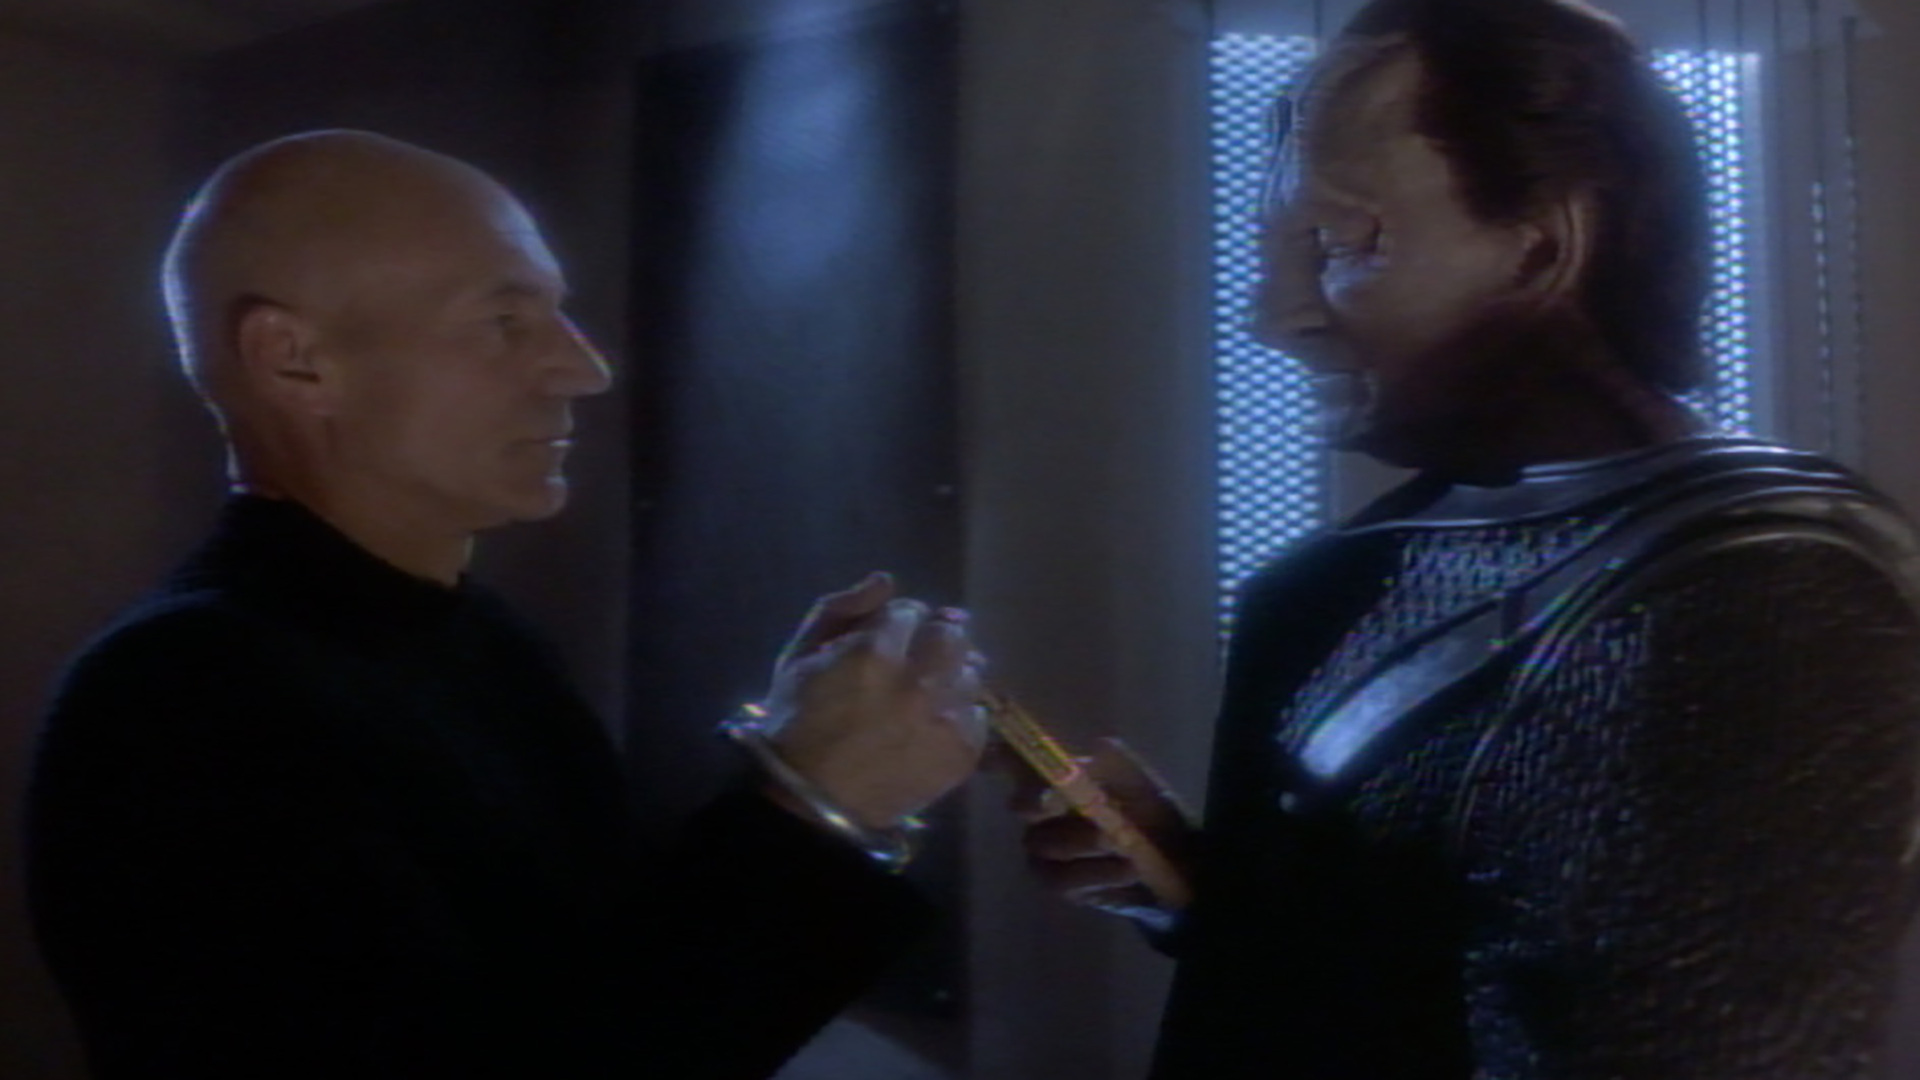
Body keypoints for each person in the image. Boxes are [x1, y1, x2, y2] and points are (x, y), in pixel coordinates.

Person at [1018, 1, 1920, 1076]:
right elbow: (1412, 963)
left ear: (1542, 241)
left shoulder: (1764, 586)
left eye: (1341, 243)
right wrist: (1197, 882)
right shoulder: (1344, 575)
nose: (1275, 315)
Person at [25, 130, 987, 1080]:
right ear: (294, 359)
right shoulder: (178, 696)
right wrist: (817, 811)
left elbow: (595, 981)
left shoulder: (482, 641)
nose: (585, 369)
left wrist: (805, 759)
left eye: (557, 316)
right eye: (504, 322)